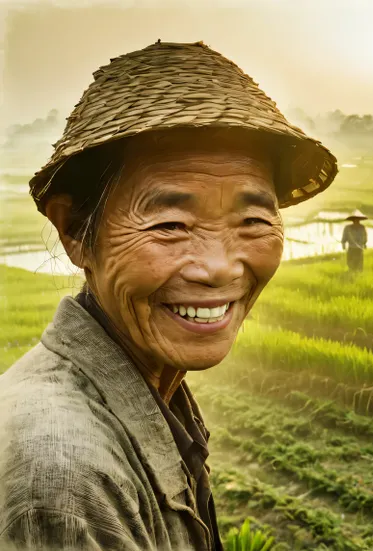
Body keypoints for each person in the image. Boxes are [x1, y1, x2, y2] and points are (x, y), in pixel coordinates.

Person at [0, 41, 337, 551]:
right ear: (74, 232)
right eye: (171, 224)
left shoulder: (148, 384)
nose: (219, 267)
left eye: (253, 220)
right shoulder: (63, 476)